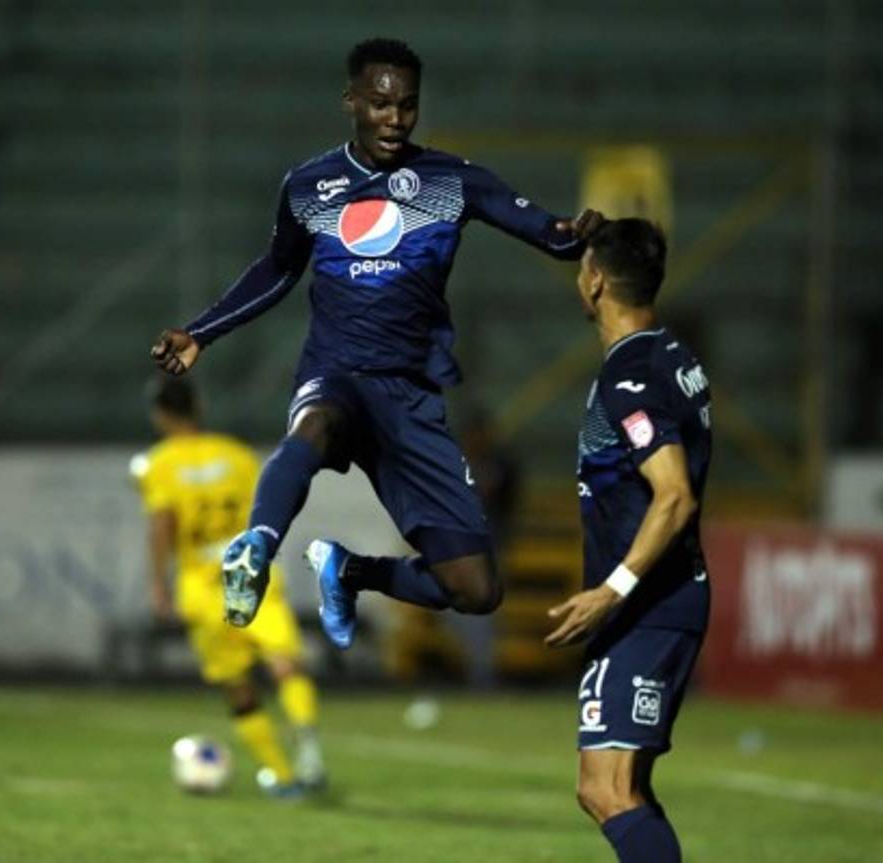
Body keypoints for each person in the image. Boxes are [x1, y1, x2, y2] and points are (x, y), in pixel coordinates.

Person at [150, 37, 600, 648]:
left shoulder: (450, 179)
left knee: (475, 589)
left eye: (407, 107)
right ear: (351, 101)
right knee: (314, 425)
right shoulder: (310, 185)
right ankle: (256, 546)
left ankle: (349, 569)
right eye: (381, 105)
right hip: (337, 371)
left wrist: (579, 233)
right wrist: (201, 332)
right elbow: (277, 270)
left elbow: (549, 232)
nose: (394, 119)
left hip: (410, 397)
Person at [544, 219, 712, 863]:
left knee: (605, 790)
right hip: (662, 599)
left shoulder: (630, 376)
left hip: (648, 604)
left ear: (593, 281)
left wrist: (610, 592)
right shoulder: (675, 354)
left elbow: (673, 493)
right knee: (623, 788)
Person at [131, 376, 326, 796]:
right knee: (283, 661)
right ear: (198, 407)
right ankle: (307, 747)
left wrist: (157, 585)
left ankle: (282, 776)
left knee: (237, 683)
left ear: (160, 415)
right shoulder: (237, 456)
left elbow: (163, 524)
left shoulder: (159, 463)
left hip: (201, 586)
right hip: (249, 571)